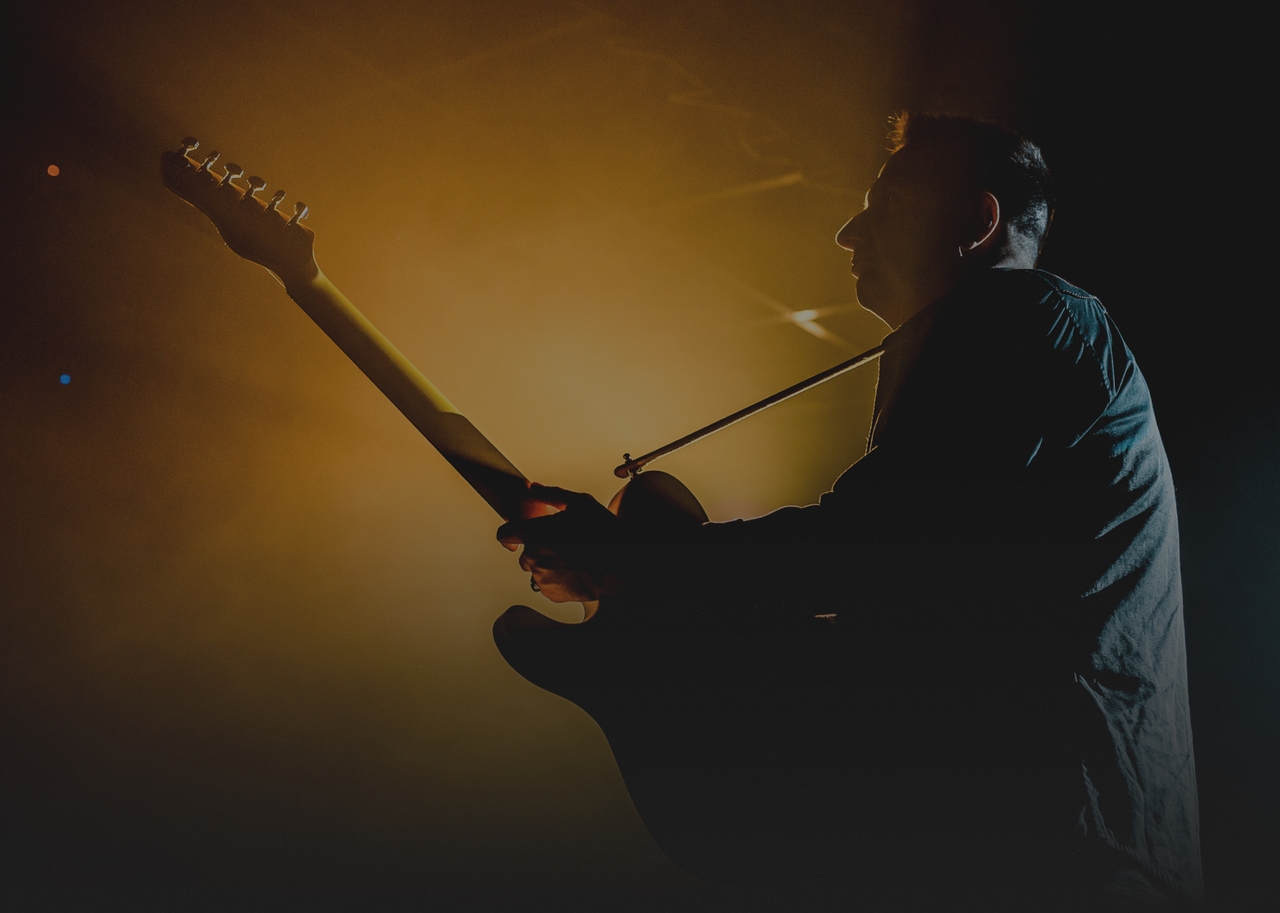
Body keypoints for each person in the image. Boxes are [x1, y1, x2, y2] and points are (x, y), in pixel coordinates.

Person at [497, 113, 1203, 911]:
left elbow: (871, 548)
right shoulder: (981, 345)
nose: (846, 232)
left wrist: (630, 562)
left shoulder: (1027, 311)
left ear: (978, 222)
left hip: (1054, 853)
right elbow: (906, 597)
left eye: (886, 205)